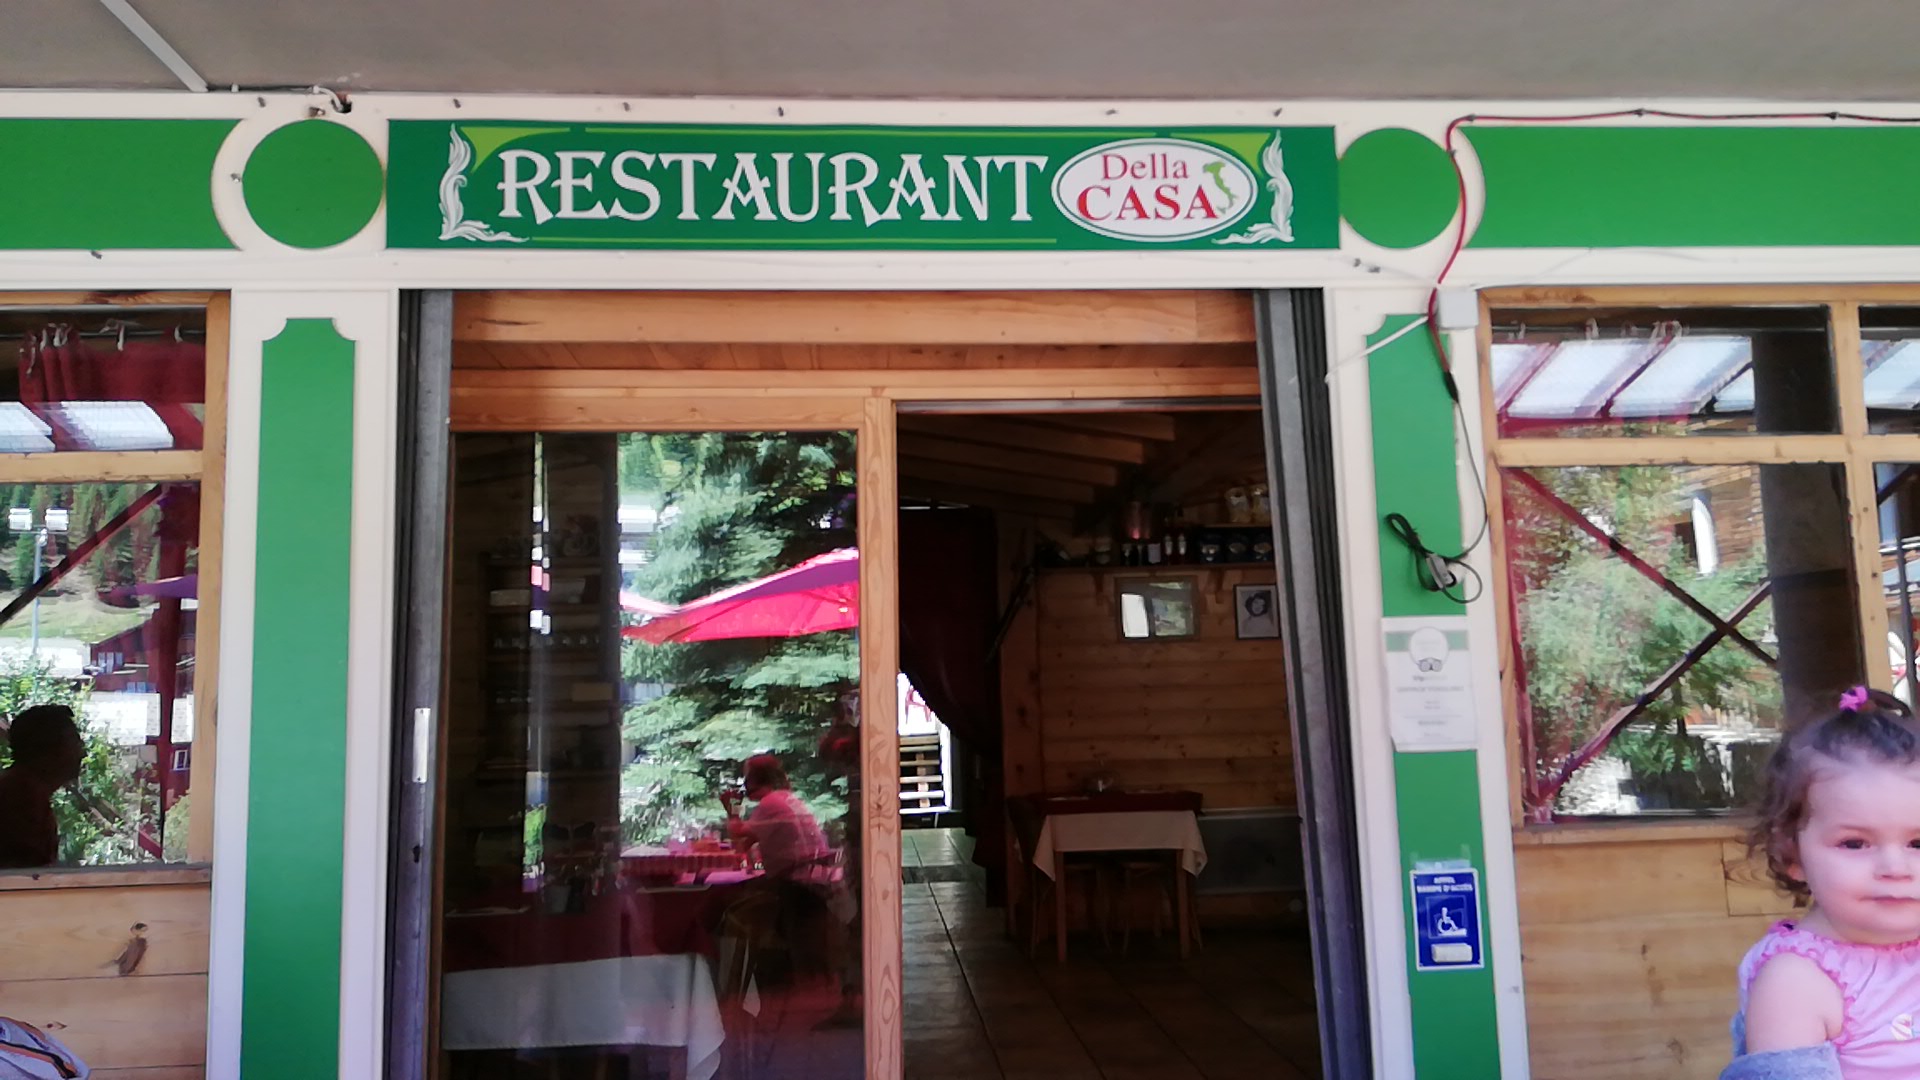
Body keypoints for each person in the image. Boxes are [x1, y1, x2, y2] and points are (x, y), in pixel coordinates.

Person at [1723, 686, 1920, 1079]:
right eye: (1854, 843)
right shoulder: (1797, 981)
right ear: (1791, 854)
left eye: (1918, 843)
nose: (1895, 867)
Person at [0, 705, 84, 870]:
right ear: (47, 750)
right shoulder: (18, 801)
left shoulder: (27, 793)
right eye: (74, 743)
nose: (82, 754)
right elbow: (27, 877)